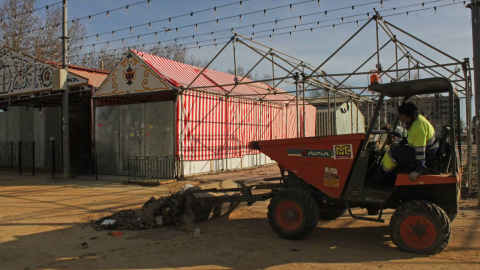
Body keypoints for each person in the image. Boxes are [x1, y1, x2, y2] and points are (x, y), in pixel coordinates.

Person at [372, 102, 439, 184]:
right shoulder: (416, 121)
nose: (399, 117)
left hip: (428, 154)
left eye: (400, 114)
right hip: (428, 150)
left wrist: (418, 170)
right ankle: (387, 176)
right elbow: (410, 137)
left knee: (391, 154)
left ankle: (377, 180)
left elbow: (420, 152)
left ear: (408, 115)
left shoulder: (419, 127)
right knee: (395, 149)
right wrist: (399, 144)